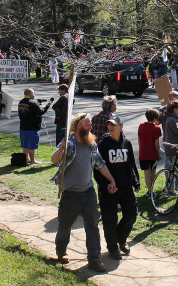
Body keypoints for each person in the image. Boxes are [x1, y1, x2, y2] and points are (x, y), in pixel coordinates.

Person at [50, 113, 117, 273]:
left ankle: (94, 259)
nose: (91, 126)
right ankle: (61, 251)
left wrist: (111, 180)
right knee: (65, 225)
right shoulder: (70, 142)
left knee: (92, 225)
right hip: (70, 194)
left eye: (91, 124)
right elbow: (54, 160)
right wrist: (61, 148)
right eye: (88, 123)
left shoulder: (91, 144)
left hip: (88, 192)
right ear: (79, 125)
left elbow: (100, 164)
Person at [95, 115, 139, 260]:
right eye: (109, 124)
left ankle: (121, 238)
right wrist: (106, 184)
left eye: (114, 124)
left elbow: (131, 164)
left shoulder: (126, 142)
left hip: (125, 186)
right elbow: (97, 168)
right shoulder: (103, 145)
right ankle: (112, 247)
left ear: (121, 126)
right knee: (109, 218)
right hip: (108, 189)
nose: (111, 127)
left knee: (131, 213)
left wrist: (136, 181)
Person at [17, 88, 52, 164]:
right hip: (32, 127)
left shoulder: (21, 102)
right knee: (31, 144)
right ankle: (33, 160)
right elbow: (41, 112)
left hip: (23, 126)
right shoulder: (32, 103)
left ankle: (26, 158)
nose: (34, 94)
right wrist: (48, 105)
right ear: (31, 94)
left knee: (25, 144)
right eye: (33, 93)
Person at [138, 108, 162, 192]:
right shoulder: (156, 128)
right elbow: (156, 143)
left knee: (146, 173)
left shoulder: (141, 126)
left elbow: (139, 139)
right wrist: (158, 154)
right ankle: (151, 190)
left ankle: (149, 191)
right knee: (153, 172)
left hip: (143, 153)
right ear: (155, 119)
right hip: (152, 154)